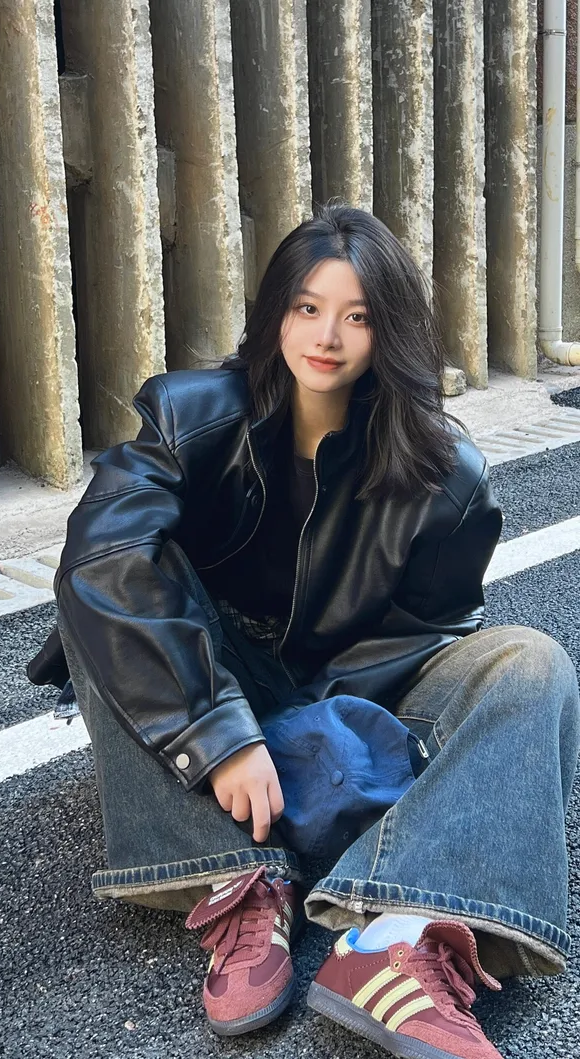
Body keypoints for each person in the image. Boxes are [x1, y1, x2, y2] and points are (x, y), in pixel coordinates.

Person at [29, 204, 580, 1059]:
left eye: (357, 315)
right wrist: (219, 732)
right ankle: (241, 880)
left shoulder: (448, 475)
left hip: (341, 687)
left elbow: (430, 632)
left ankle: (398, 938)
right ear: (276, 312)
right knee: (103, 587)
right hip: (211, 679)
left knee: (532, 662)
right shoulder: (188, 414)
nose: (327, 336)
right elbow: (103, 559)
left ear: (389, 331)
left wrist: (323, 732)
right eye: (308, 307)